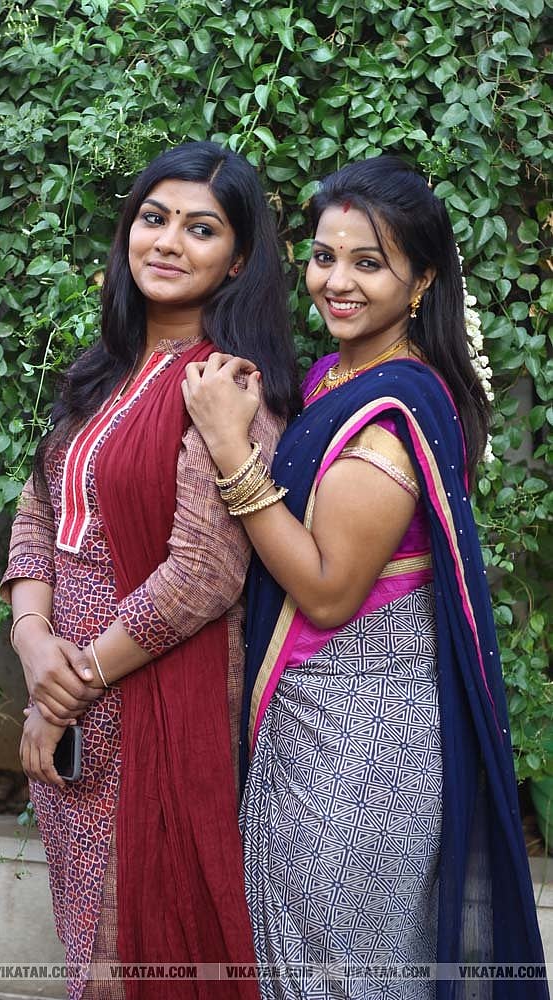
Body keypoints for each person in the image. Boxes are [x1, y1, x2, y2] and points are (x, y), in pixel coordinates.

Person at [182, 156, 548, 999]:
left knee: (341, 971)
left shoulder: (389, 416)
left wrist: (229, 447)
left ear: (420, 281)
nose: (335, 282)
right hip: (310, 725)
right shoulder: (333, 377)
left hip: (362, 748)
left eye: (367, 263)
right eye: (323, 257)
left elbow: (325, 590)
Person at [0, 140, 300, 1000]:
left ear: (236, 260)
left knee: (134, 946)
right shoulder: (102, 371)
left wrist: (72, 683)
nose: (167, 241)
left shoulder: (226, 387)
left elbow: (204, 574)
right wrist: (31, 640)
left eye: (199, 229)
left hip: (145, 701)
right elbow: (39, 508)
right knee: (89, 938)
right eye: (153, 218)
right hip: (67, 699)